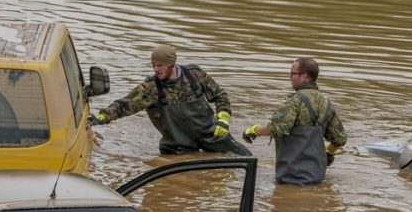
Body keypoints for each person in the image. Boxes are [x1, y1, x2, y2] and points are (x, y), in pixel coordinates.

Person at [89, 44, 251, 155]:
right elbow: (123, 106)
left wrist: (223, 119)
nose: (156, 69)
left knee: (247, 158)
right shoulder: (151, 88)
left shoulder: (194, 74)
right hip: (178, 148)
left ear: (171, 64)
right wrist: (101, 117)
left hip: (212, 136)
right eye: (154, 65)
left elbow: (220, 96)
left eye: (160, 65)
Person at [243, 57, 346, 185]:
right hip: (317, 176)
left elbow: (277, 129)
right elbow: (340, 139)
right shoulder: (326, 103)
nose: (290, 77)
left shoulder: (295, 102)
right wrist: (328, 152)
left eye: (292, 73)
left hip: (291, 178)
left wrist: (254, 129)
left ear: (304, 77)